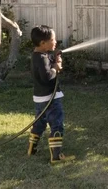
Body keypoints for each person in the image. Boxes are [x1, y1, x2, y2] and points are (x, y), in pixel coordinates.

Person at [28, 25, 65, 163]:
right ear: (43, 43)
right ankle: (56, 156)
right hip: (50, 99)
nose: (55, 41)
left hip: (39, 99)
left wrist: (55, 60)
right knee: (57, 124)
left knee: (39, 123)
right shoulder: (42, 58)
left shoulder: (38, 55)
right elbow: (47, 77)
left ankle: (32, 148)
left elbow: (46, 69)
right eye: (53, 39)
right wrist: (56, 68)